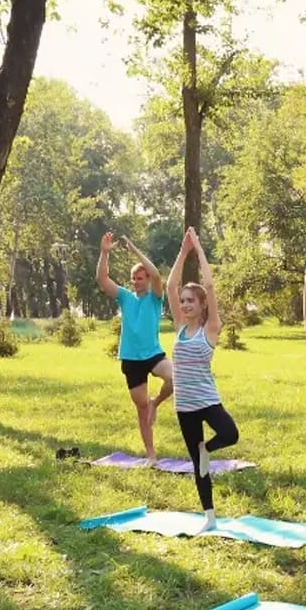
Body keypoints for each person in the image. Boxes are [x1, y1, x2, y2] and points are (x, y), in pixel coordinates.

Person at [166, 228, 240, 532]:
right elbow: (171, 285)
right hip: (184, 406)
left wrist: (199, 248)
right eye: (183, 301)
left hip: (207, 401)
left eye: (190, 301)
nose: (184, 305)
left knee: (230, 434)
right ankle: (209, 518)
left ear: (202, 304)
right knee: (199, 468)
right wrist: (183, 253)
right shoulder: (180, 327)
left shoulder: (210, 329)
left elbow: (209, 284)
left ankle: (206, 449)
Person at [97, 231, 173, 466]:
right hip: (131, 359)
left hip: (153, 355)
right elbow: (102, 280)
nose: (138, 281)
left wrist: (134, 250)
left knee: (175, 376)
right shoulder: (125, 297)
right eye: (135, 278)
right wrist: (104, 253)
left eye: (142, 278)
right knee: (140, 406)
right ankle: (151, 454)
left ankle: (156, 402)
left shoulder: (155, 297)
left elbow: (157, 274)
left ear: (148, 280)